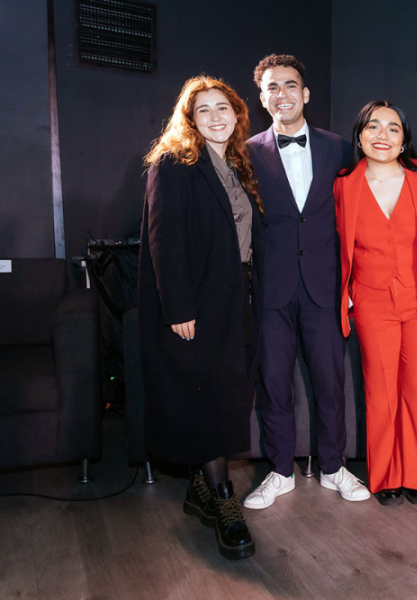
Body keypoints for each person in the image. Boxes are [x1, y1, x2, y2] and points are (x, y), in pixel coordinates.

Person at [139, 75, 264, 560]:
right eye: (204, 110)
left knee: (227, 397)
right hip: (198, 303)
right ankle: (225, 501)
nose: (215, 117)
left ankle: (199, 489)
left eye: (223, 108)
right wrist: (179, 307)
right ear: (189, 119)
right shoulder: (174, 163)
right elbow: (163, 237)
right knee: (210, 400)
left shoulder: (237, 164)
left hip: (237, 299)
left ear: (237, 115)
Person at [244, 54, 370, 509]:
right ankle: (280, 472)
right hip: (271, 289)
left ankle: (333, 467)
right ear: (262, 99)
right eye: (272, 87)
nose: (283, 94)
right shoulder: (246, 152)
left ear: (306, 93)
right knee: (274, 385)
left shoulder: (339, 148)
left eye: (291, 85)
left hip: (325, 286)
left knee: (330, 384)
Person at [334, 101, 417, 505]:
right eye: (373, 127)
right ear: (360, 136)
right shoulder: (343, 185)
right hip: (372, 301)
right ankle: (384, 477)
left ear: (404, 140)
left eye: (393, 128)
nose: (383, 135)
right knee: (380, 394)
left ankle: (415, 474)